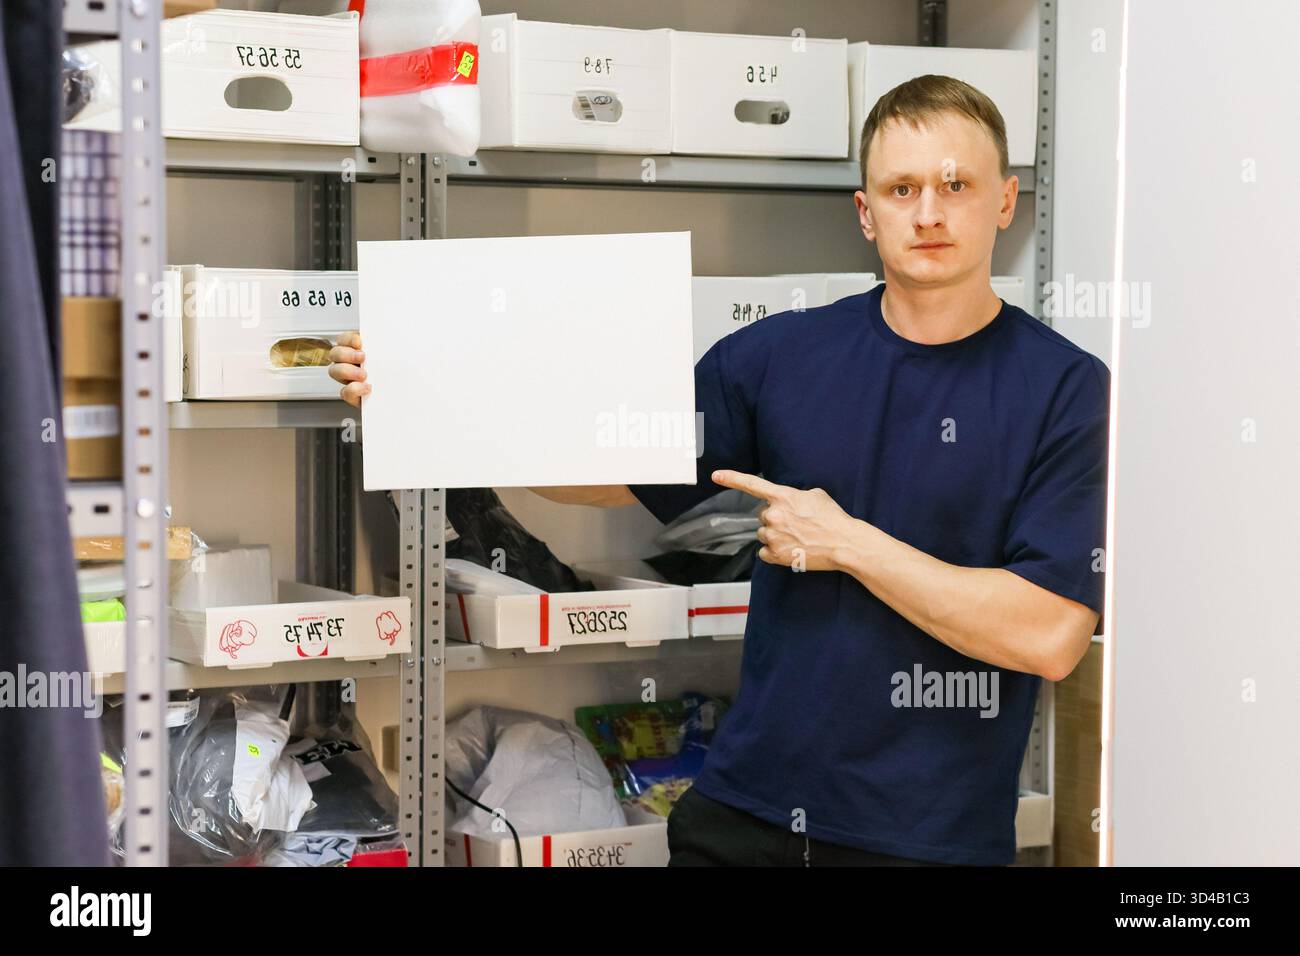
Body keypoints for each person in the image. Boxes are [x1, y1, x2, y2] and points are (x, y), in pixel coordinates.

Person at [329, 75, 1109, 867]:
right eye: (902, 188)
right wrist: (422, 392)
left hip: (928, 841)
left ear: (1006, 201)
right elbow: (609, 470)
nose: (930, 212)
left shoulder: (1066, 390)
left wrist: (847, 545)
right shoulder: (780, 357)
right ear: (866, 212)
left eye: (956, 185)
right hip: (746, 818)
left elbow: (1050, 633)